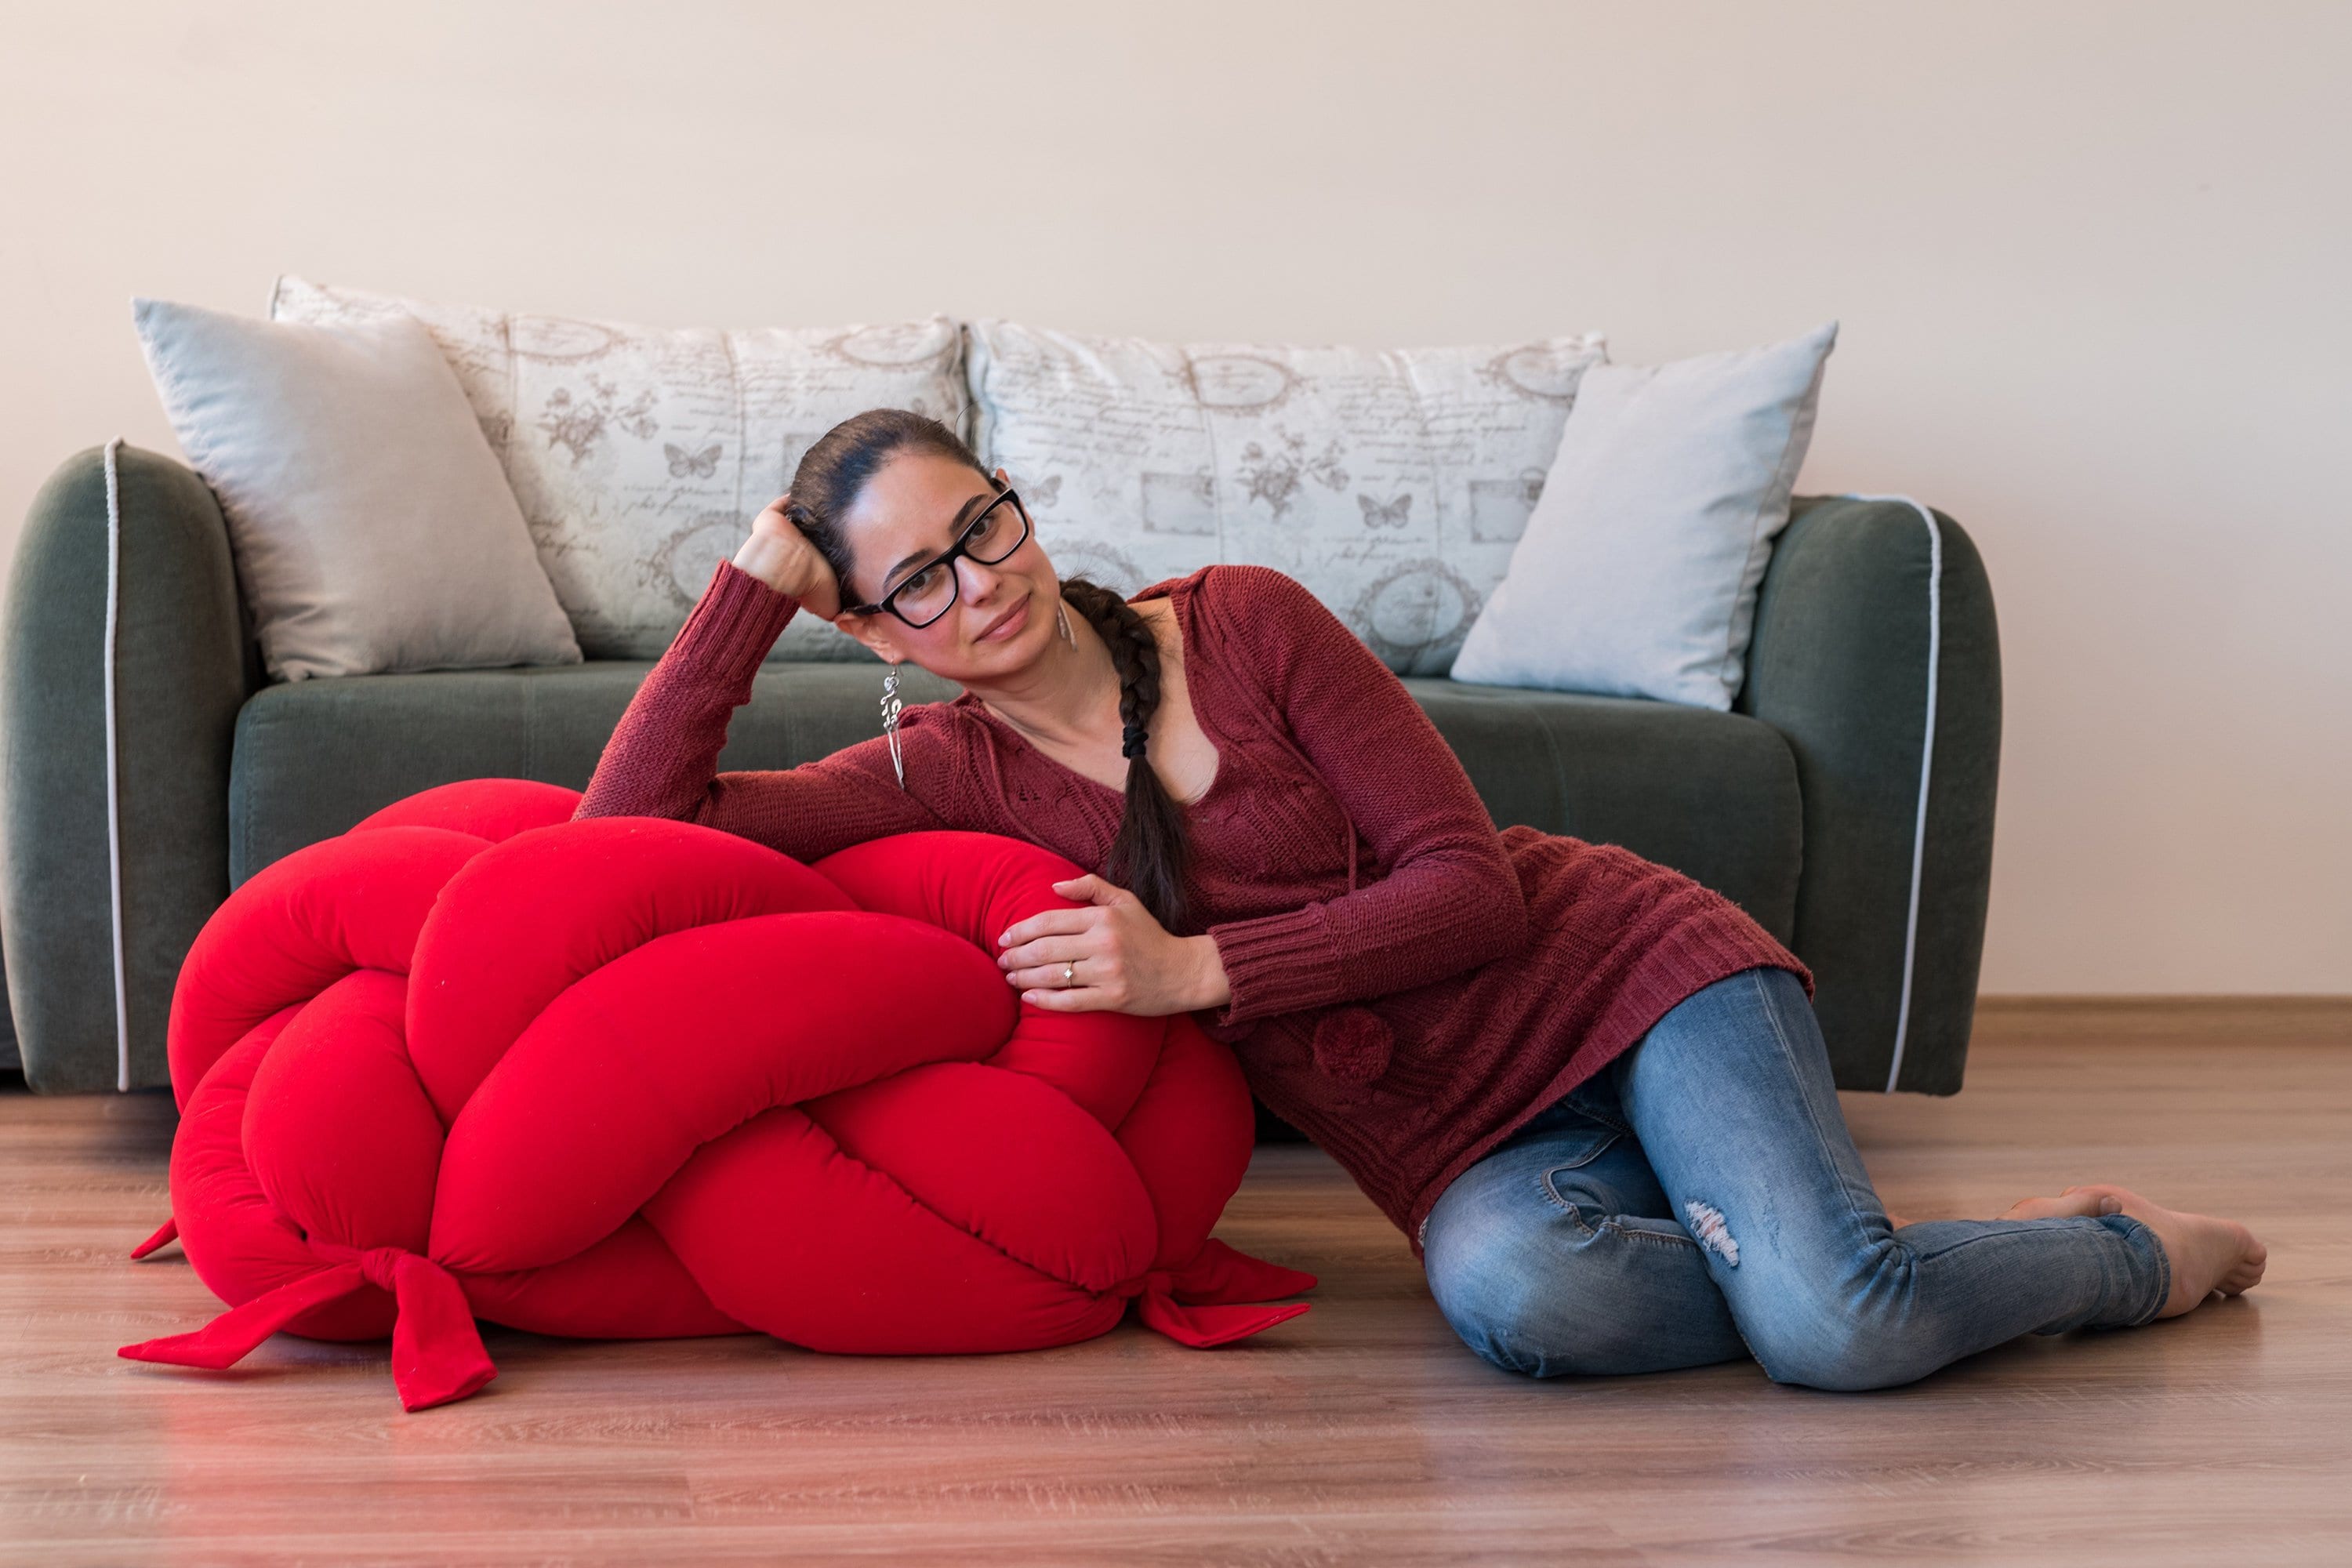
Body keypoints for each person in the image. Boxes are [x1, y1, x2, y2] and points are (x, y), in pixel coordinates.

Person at [576, 407, 2265, 1390]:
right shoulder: (940, 771)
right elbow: (623, 832)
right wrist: (747, 591)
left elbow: (1467, 894)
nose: (982, 585)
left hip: (1631, 981)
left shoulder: (1239, 619)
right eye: (920, 581)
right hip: (1477, 1154)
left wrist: (1194, 973)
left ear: (1020, 505)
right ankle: (1815, 1245)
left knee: (1835, 1331)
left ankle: (2117, 1255)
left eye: (986, 525)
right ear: (875, 629)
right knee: (1517, 1300)